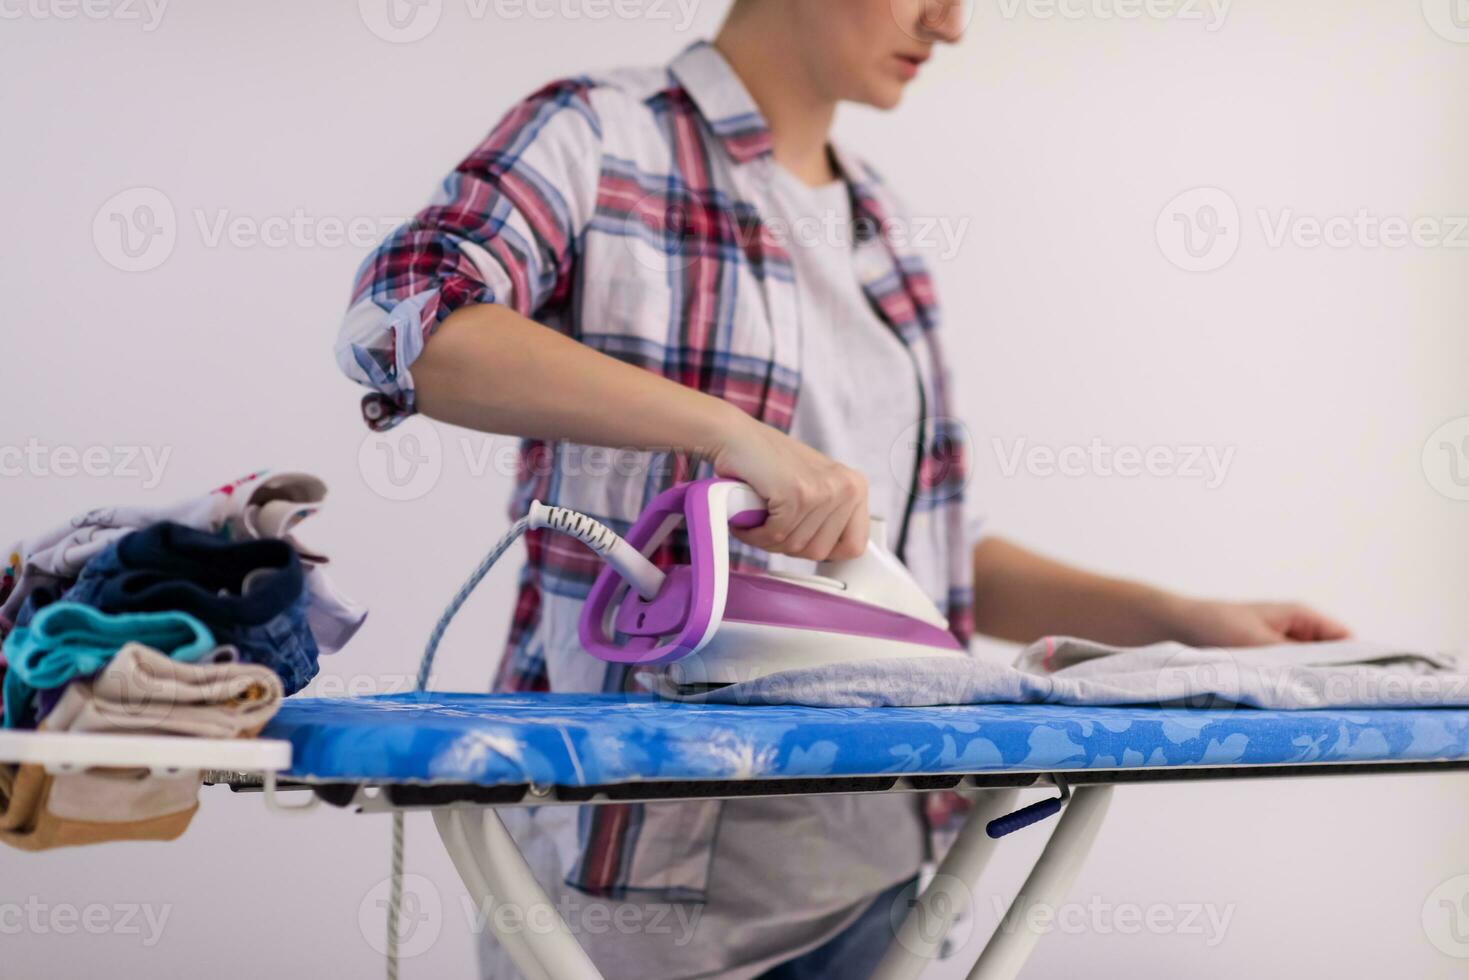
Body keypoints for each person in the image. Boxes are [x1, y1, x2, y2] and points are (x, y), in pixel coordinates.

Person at [335, 1, 1349, 976]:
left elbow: (906, 555)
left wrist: (1175, 618)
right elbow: (403, 321)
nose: (950, 23)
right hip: (626, 891)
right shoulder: (600, 135)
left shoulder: (879, 226)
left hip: (873, 884)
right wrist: (728, 433)